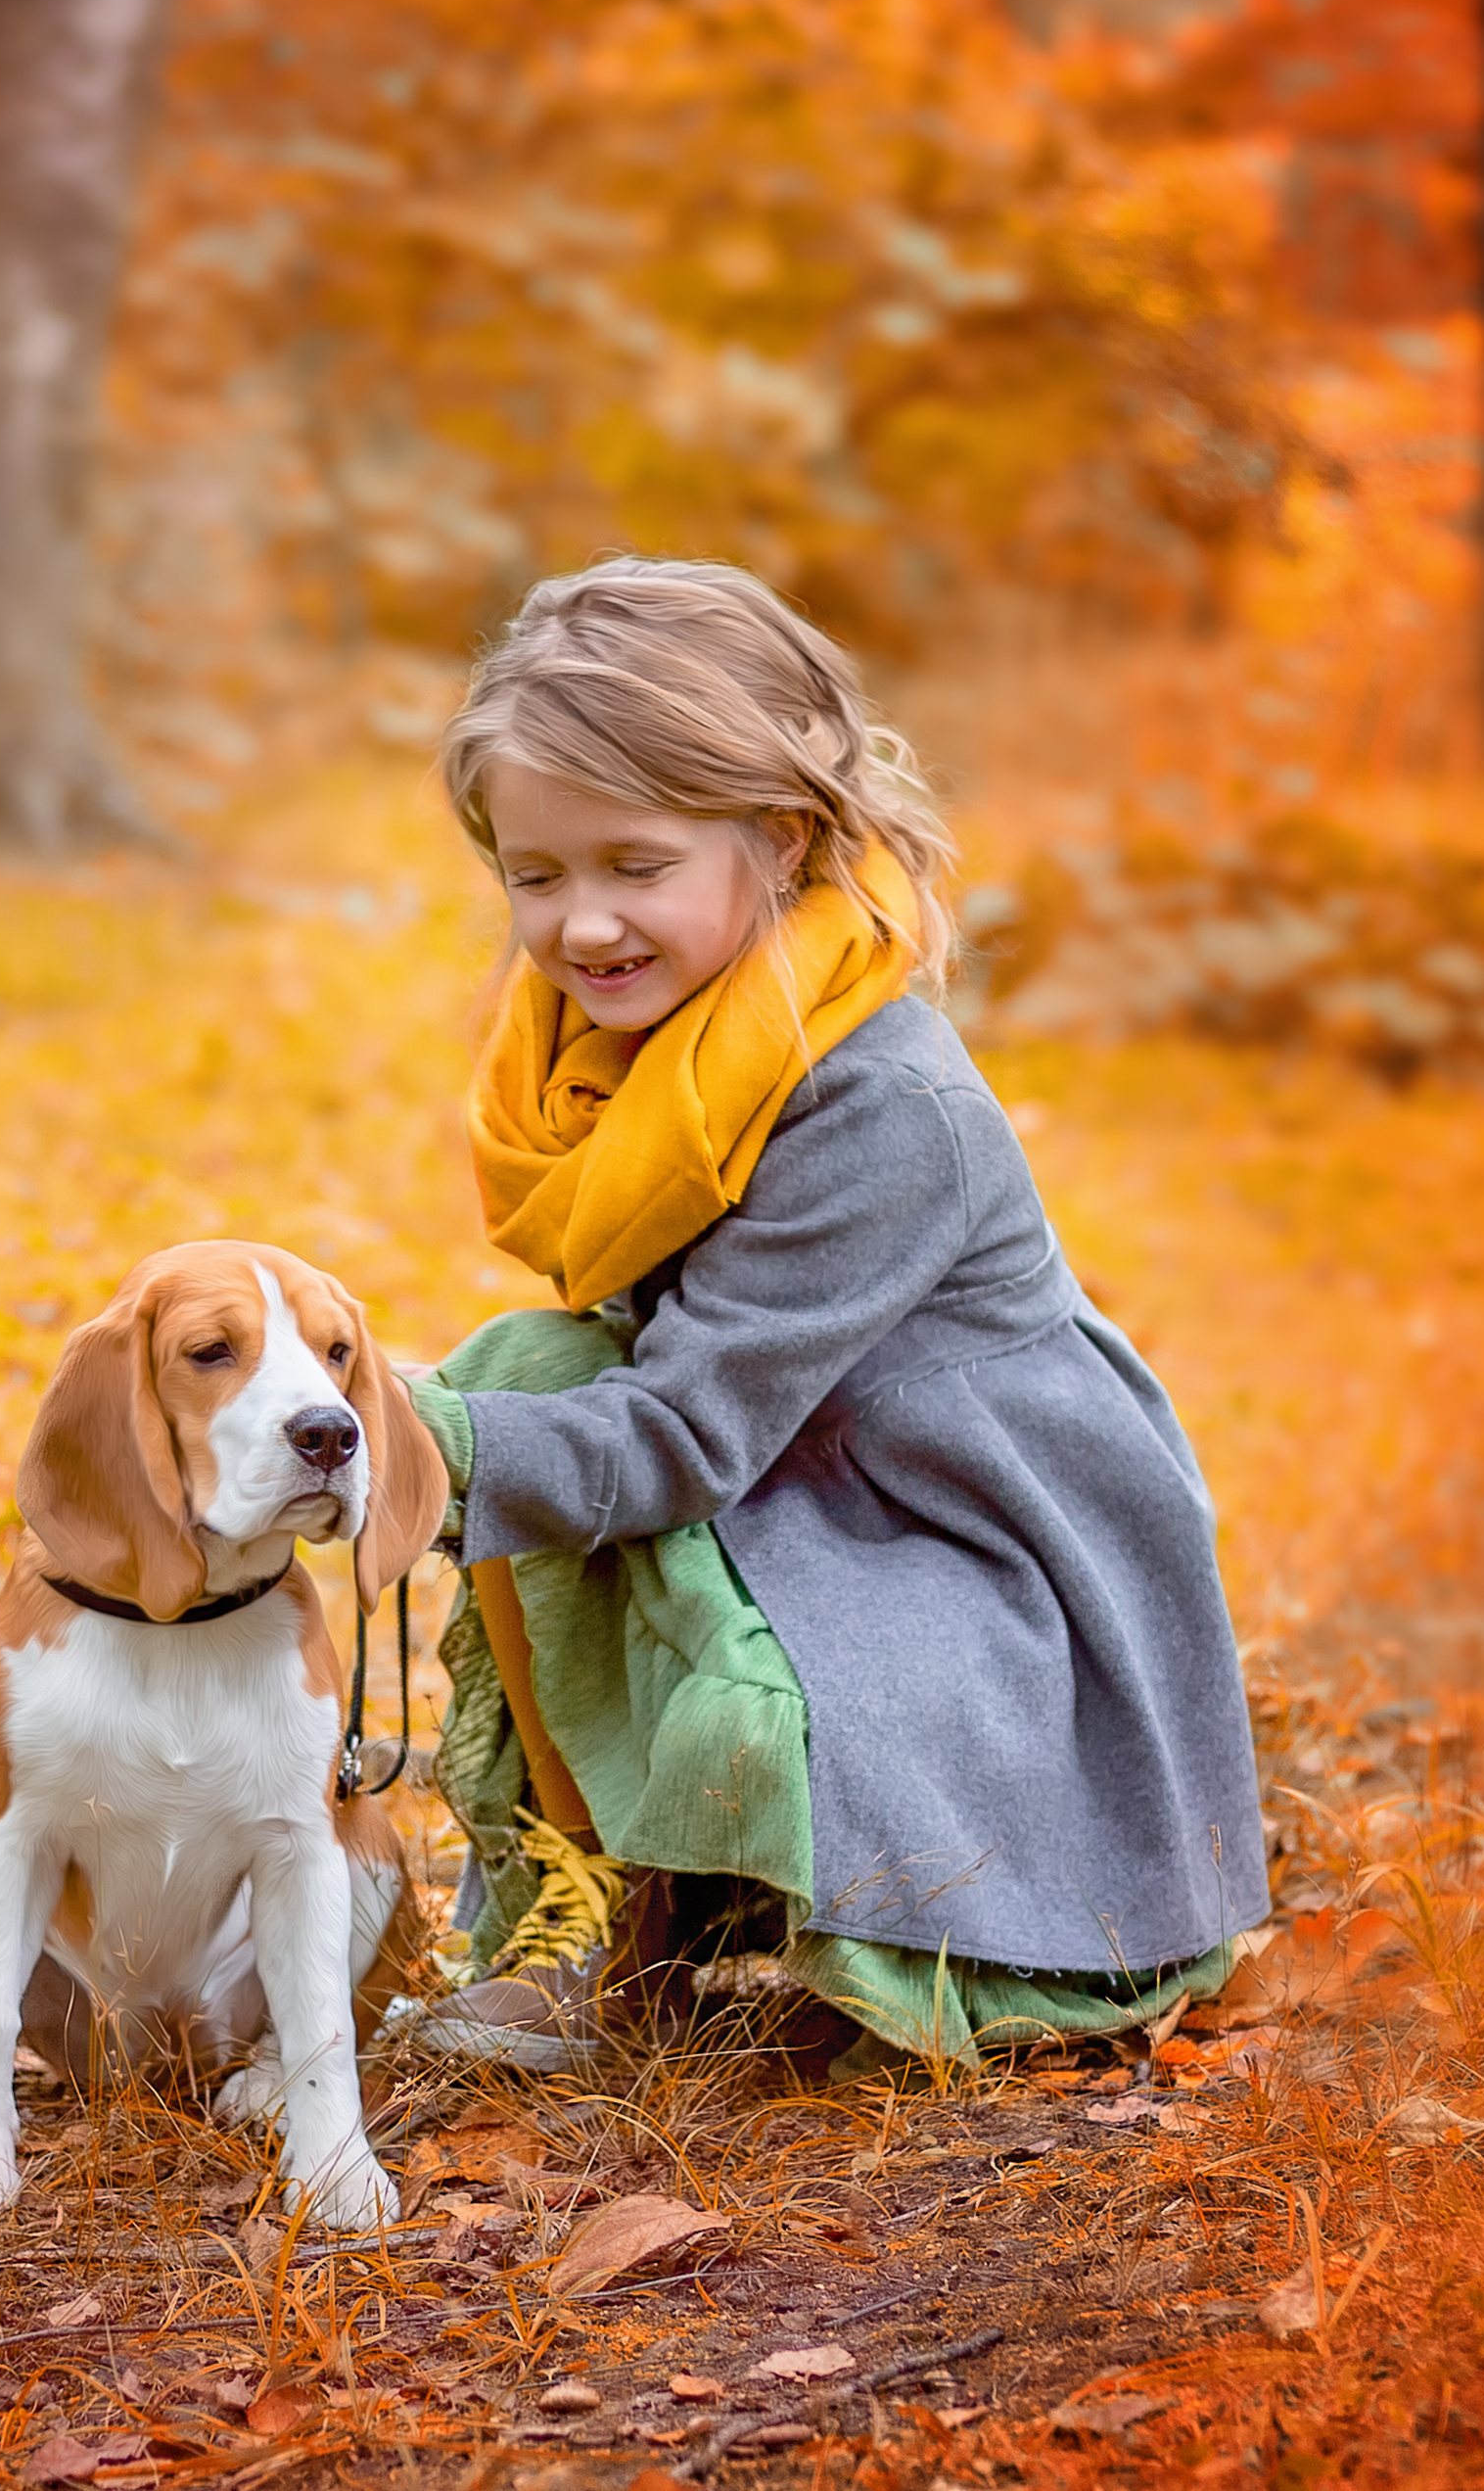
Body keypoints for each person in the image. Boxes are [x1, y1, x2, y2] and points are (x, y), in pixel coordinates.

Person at [398, 557, 1268, 2078]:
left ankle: (950, 1930)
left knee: (671, 1620)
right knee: (523, 1372)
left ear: (779, 840)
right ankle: (602, 1919)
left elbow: (676, 1432)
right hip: (797, 1476)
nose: (581, 924)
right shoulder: (625, 1053)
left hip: (972, 1541)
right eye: (535, 876)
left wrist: (394, 1447)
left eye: (634, 865)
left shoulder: (876, 1100)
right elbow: (644, 1382)